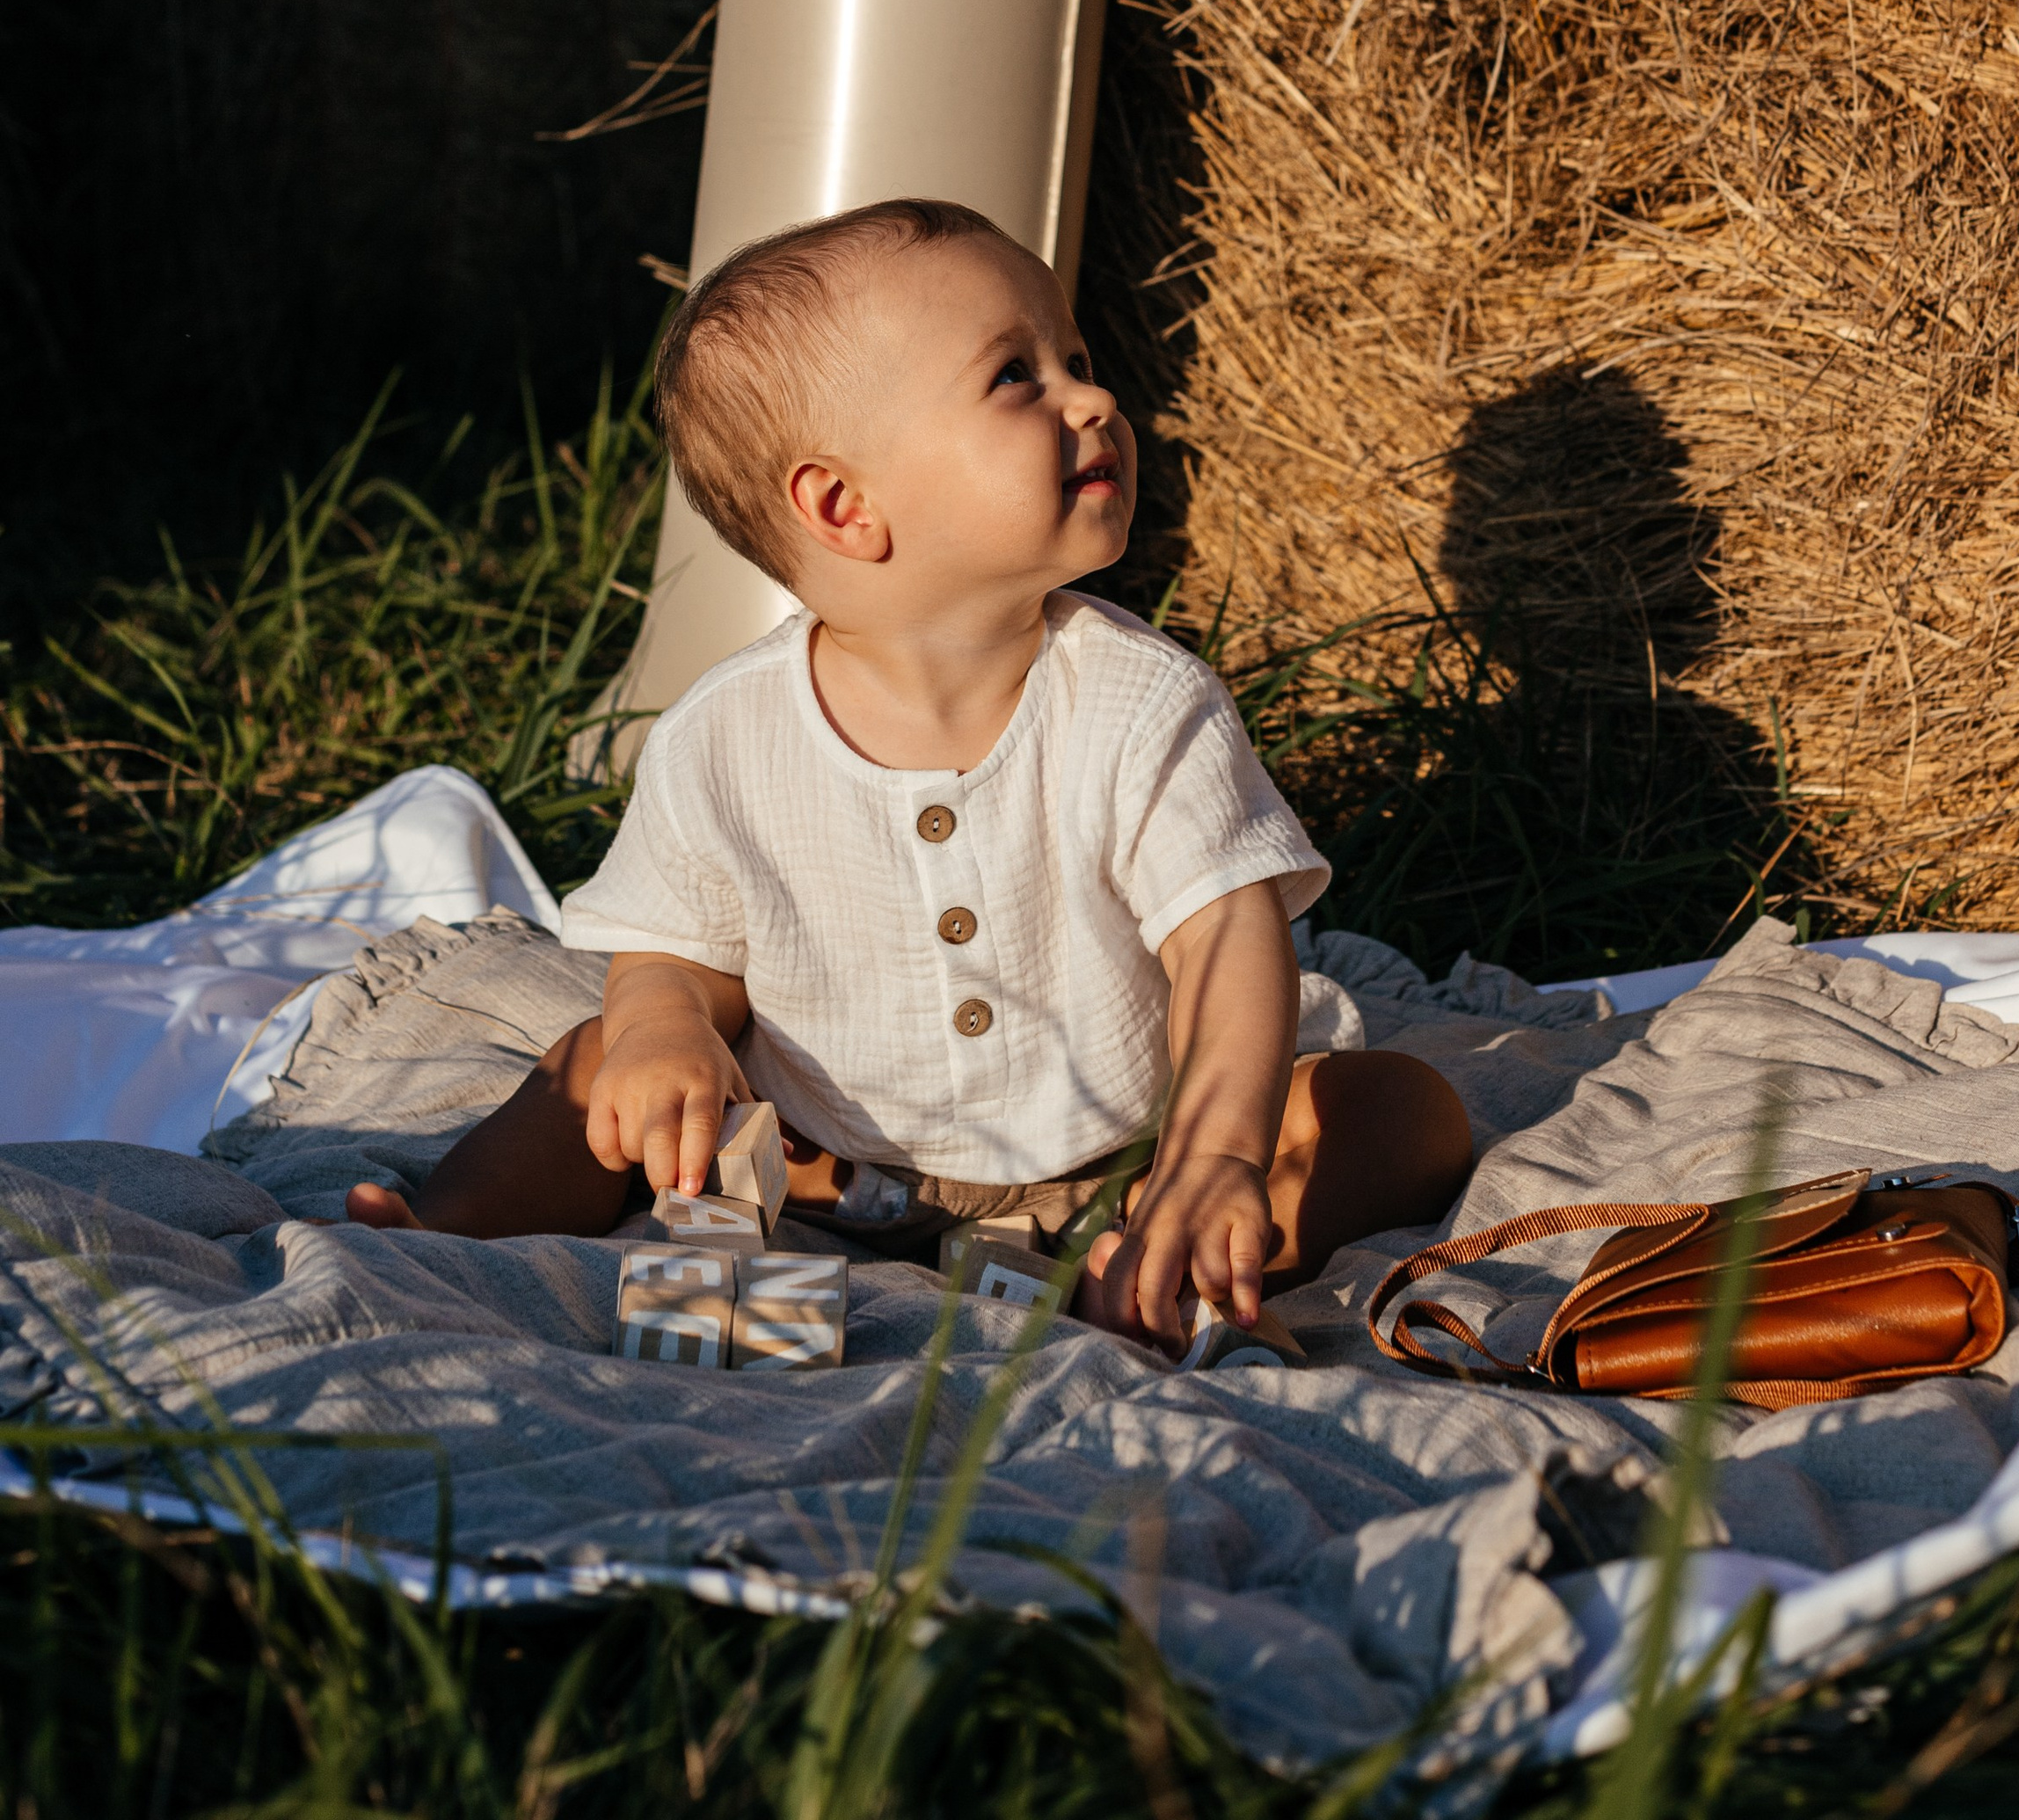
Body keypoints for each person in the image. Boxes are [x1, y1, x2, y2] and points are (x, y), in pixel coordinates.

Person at [347, 198, 1469, 1343]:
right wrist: (666, 1028)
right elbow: (679, 956)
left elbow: (1226, 941)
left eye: (1074, 358)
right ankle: (439, 1240)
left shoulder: (1145, 703)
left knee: (1401, 1114)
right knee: (597, 1066)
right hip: (810, 1161)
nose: (1094, 398)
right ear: (844, 505)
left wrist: (1215, 1150)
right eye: (1016, 378)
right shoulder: (725, 735)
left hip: (1117, 1160)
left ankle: (1156, 1255)